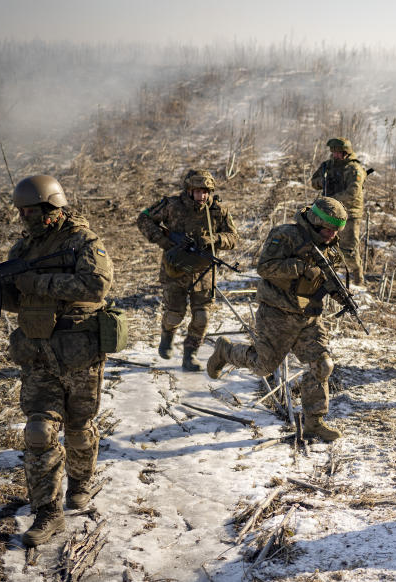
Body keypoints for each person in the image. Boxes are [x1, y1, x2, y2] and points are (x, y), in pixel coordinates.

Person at [0, 175, 114, 546]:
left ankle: (81, 482)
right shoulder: (22, 249)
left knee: (79, 429)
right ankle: (48, 512)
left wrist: (37, 284)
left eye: (32, 210)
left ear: (52, 207)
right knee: (38, 432)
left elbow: (95, 287)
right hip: (37, 354)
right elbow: (17, 298)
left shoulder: (84, 242)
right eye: (21, 211)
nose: (26, 217)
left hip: (78, 352)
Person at [206, 196, 350, 442]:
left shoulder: (331, 246)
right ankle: (226, 351)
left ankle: (314, 421)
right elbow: (265, 268)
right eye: (328, 228)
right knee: (263, 367)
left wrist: (339, 293)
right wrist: (301, 267)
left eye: (337, 229)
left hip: (308, 317)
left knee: (323, 365)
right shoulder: (285, 235)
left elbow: (324, 278)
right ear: (315, 222)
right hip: (277, 314)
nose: (332, 233)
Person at [138, 169, 238, 371]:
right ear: (189, 190)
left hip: (203, 272)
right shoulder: (172, 205)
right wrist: (164, 241)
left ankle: (190, 354)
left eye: (205, 192)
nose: (202, 196)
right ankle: (167, 335)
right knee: (174, 313)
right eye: (197, 191)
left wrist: (214, 239)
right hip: (175, 268)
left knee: (202, 317)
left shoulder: (217, 211)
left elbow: (233, 238)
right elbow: (144, 219)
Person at [310, 138, 367, 285]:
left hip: (350, 213)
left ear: (346, 153)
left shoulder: (354, 169)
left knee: (348, 249)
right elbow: (313, 181)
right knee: (324, 244)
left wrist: (333, 201)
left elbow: (353, 192)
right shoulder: (327, 166)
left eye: (338, 152)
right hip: (328, 214)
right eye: (333, 152)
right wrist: (321, 182)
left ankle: (357, 277)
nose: (335, 155)